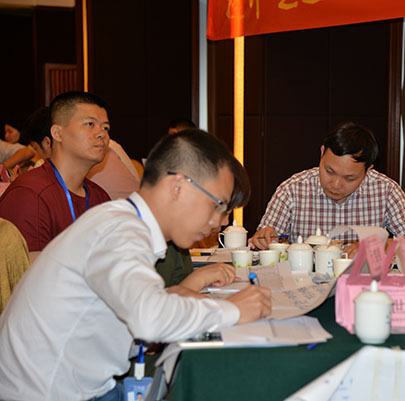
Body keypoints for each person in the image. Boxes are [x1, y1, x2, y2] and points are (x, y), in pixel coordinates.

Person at [0, 130, 272, 400]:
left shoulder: (123, 222)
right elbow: (149, 320)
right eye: (218, 205)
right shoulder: (120, 231)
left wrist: (169, 299)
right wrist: (233, 310)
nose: (222, 221)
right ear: (178, 186)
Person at [250, 121, 405, 255]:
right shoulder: (293, 190)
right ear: (322, 153)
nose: (335, 185)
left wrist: (378, 245)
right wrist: (264, 239)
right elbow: (263, 242)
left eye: (349, 178)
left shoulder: (386, 190)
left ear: (368, 170)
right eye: (329, 171)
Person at [0, 92, 111, 259]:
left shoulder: (100, 197)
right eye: (90, 124)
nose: (102, 134)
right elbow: (32, 273)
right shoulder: (30, 194)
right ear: (57, 133)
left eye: (105, 128)